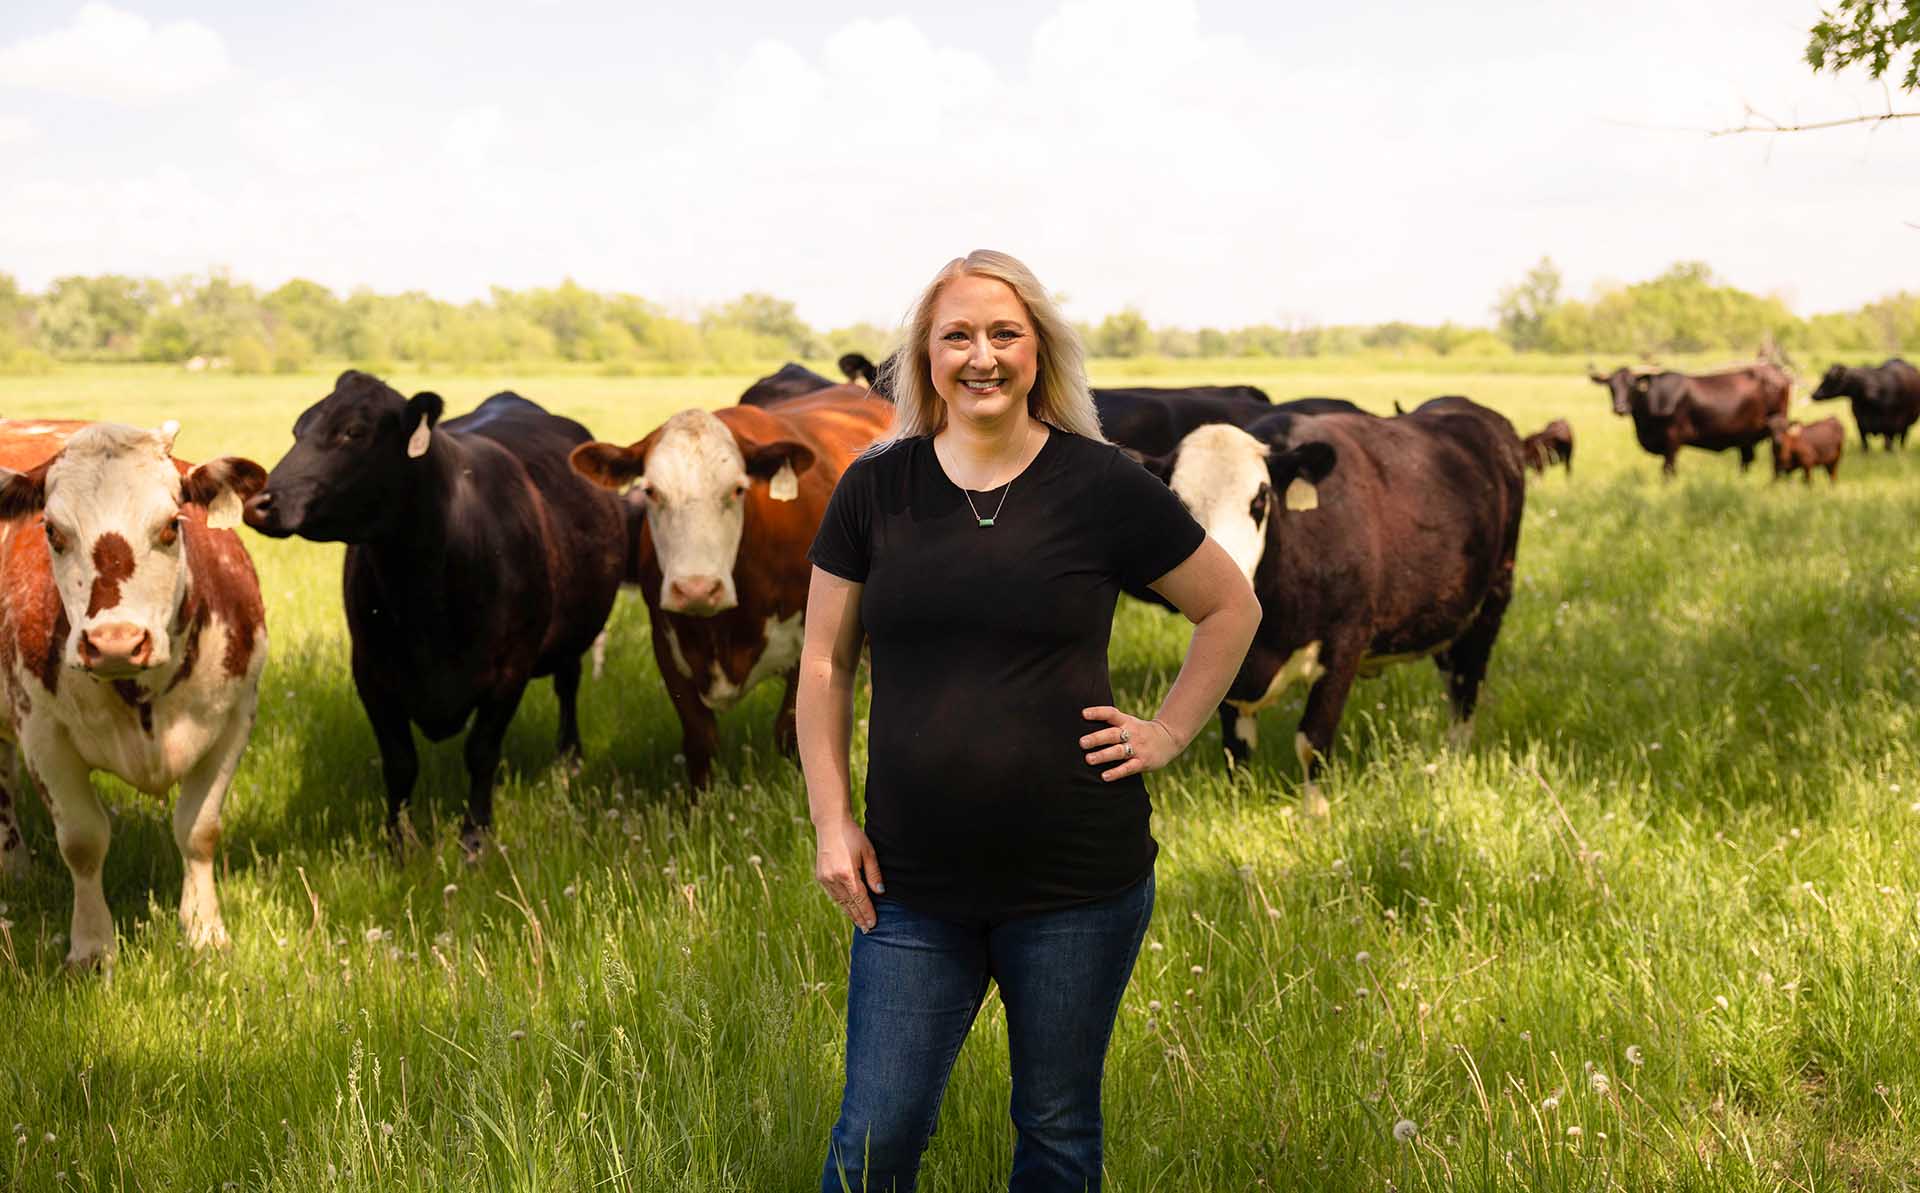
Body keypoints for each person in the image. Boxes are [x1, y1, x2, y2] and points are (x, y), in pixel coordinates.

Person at [798, 249, 1261, 1193]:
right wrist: (830, 820)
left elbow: (1231, 607)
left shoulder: (1104, 485)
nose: (982, 355)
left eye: (1004, 333)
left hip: (1077, 884)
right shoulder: (875, 488)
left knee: (1055, 1133)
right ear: (924, 356)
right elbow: (824, 663)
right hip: (909, 889)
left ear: (1039, 351)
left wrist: (1168, 731)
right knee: (873, 1139)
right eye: (957, 334)